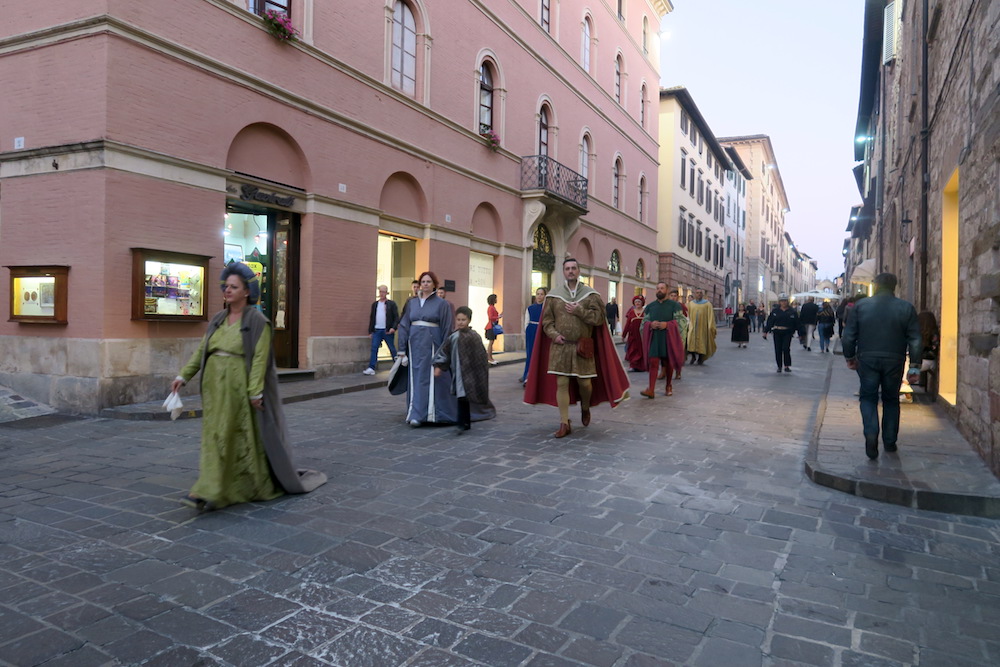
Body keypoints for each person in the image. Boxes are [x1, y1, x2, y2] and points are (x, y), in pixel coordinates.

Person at [170, 262, 326, 511]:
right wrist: (183, 376)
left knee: (230, 436)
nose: (228, 290)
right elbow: (203, 349)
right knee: (215, 436)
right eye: (226, 286)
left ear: (246, 291)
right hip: (214, 388)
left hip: (238, 388)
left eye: (234, 287)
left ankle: (207, 489)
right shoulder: (219, 319)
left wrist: (255, 392)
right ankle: (218, 484)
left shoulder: (257, 321)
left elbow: (260, 360)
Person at [523, 258, 630, 438]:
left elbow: (598, 320)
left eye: (574, 268)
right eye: (567, 269)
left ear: (579, 271)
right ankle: (564, 422)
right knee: (562, 383)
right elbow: (547, 322)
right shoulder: (554, 296)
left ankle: (585, 407)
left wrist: (580, 310)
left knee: (585, 383)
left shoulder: (591, 295)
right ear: (564, 272)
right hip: (561, 346)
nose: (571, 271)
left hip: (583, 347)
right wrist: (554, 335)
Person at [842, 273, 921, 460]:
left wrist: (849, 356)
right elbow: (916, 339)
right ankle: (889, 440)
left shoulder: (861, 306)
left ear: (875, 285)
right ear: (894, 286)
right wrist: (915, 366)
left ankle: (871, 433)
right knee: (891, 399)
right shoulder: (906, 308)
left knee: (868, 397)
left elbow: (848, 335)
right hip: (895, 359)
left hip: (867, 358)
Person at [396, 271, 458, 426]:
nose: (425, 284)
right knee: (416, 379)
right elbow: (404, 325)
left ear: (434, 285)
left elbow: (446, 328)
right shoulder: (412, 303)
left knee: (431, 379)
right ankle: (416, 413)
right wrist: (402, 350)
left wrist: (443, 354)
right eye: (423, 281)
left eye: (428, 282)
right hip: (415, 346)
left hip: (433, 346)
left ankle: (433, 414)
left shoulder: (442, 304)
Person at [433, 306, 495, 433]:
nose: (460, 322)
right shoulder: (454, 337)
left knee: (465, 398)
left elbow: (481, 356)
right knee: (462, 397)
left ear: (469, 320)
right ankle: (463, 422)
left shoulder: (475, 336)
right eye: (458, 319)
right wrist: (439, 366)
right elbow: (445, 351)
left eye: (463, 320)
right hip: (459, 373)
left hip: (471, 374)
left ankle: (464, 422)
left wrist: (481, 374)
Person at [639, 283, 685, 398]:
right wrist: (650, 324)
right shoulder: (650, 306)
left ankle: (668, 386)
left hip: (669, 338)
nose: (659, 290)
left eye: (662, 288)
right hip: (654, 338)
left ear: (667, 290)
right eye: (658, 288)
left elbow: (682, 323)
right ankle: (651, 389)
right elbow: (643, 323)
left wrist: (668, 325)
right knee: (653, 362)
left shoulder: (675, 306)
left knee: (668, 363)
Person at [364, 284, 398, 375]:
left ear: (386, 293)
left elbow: (396, 317)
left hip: (387, 330)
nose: (382, 293)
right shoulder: (375, 304)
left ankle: (397, 367)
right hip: (377, 330)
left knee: (392, 348)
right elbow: (372, 318)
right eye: (380, 291)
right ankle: (371, 367)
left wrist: (393, 328)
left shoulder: (391, 304)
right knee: (374, 348)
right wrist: (370, 331)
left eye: (383, 292)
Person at [763, 294, 800, 373]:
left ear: (787, 302)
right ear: (779, 302)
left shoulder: (792, 311)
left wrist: (801, 333)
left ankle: (787, 365)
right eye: (782, 301)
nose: (784, 303)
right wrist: (765, 331)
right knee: (778, 349)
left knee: (786, 348)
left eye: (785, 301)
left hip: (787, 332)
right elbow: (770, 322)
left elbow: (797, 323)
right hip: (777, 332)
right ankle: (779, 366)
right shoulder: (775, 311)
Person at [521, 287, 547, 384]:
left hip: (542, 331)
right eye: (537, 294)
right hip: (531, 332)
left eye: (541, 294)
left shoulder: (546, 309)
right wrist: (527, 331)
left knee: (541, 355)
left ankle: (540, 377)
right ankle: (527, 376)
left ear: (545, 296)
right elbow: (526, 322)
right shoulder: (530, 308)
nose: (539, 296)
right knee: (530, 354)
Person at [685, 288, 717, 365]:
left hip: (703, 327)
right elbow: (688, 315)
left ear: (703, 294)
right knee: (690, 342)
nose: (699, 294)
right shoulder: (691, 304)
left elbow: (710, 316)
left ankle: (700, 358)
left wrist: (710, 326)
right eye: (697, 293)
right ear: (695, 294)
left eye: (700, 293)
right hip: (692, 326)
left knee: (702, 343)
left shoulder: (707, 304)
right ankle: (693, 356)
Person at [621, 295, 647, 372]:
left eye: (639, 302)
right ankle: (633, 365)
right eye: (636, 302)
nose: (637, 303)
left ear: (642, 303)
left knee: (642, 350)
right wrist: (624, 335)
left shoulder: (645, 312)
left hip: (642, 336)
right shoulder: (632, 312)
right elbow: (627, 324)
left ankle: (642, 366)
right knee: (632, 350)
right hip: (633, 335)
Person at [669, 288, 688, 380]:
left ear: (677, 297)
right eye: (671, 296)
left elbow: (686, 318)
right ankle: (665, 371)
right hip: (669, 331)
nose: (673, 298)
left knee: (679, 352)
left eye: (675, 296)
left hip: (679, 332)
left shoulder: (681, 306)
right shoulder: (666, 306)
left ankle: (678, 371)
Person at [485, 294, 502, 365]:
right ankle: (489, 358)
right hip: (491, 327)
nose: (496, 300)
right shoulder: (491, 308)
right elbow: (491, 317)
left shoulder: (492, 307)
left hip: (492, 327)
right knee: (491, 343)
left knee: (491, 343)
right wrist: (498, 316)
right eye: (496, 298)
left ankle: (490, 358)